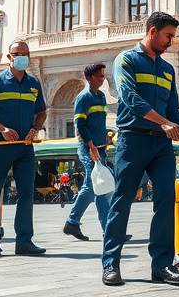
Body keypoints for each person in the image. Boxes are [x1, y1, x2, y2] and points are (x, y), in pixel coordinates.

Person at [101, 12, 179, 287]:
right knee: (122, 201)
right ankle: (110, 264)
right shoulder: (126, 59)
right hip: (133, 140)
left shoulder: (168, 69)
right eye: (168, 36)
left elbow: (173, 107)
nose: (170, 42)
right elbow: (130, 99)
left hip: (162, 144)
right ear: (152, 31)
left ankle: (161, 265)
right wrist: (165, 123)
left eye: (173, 37)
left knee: (166, 199)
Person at [0, 39, 47, 258]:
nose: (21, 56)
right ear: (9, 57)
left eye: (25, 53)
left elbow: (42, 112)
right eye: (17, 53)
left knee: (26, 192)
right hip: (0, 146)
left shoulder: (33, 83)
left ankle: (24, 241)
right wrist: (2, 129)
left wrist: (36, 128)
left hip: (25, 147)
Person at [63, 62, 117, 241]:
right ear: (89, 78)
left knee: (99, 188)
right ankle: (74, 222)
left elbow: (99, 122)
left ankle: (103, 228)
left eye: (103, 75)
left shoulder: (101, 96)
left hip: (100, 148)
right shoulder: (84, 97)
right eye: (98, 75)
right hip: (89, 148)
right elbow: (80, 123)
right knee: (93, 186)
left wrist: (105, 138)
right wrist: (90, 144)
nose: (102, 78)